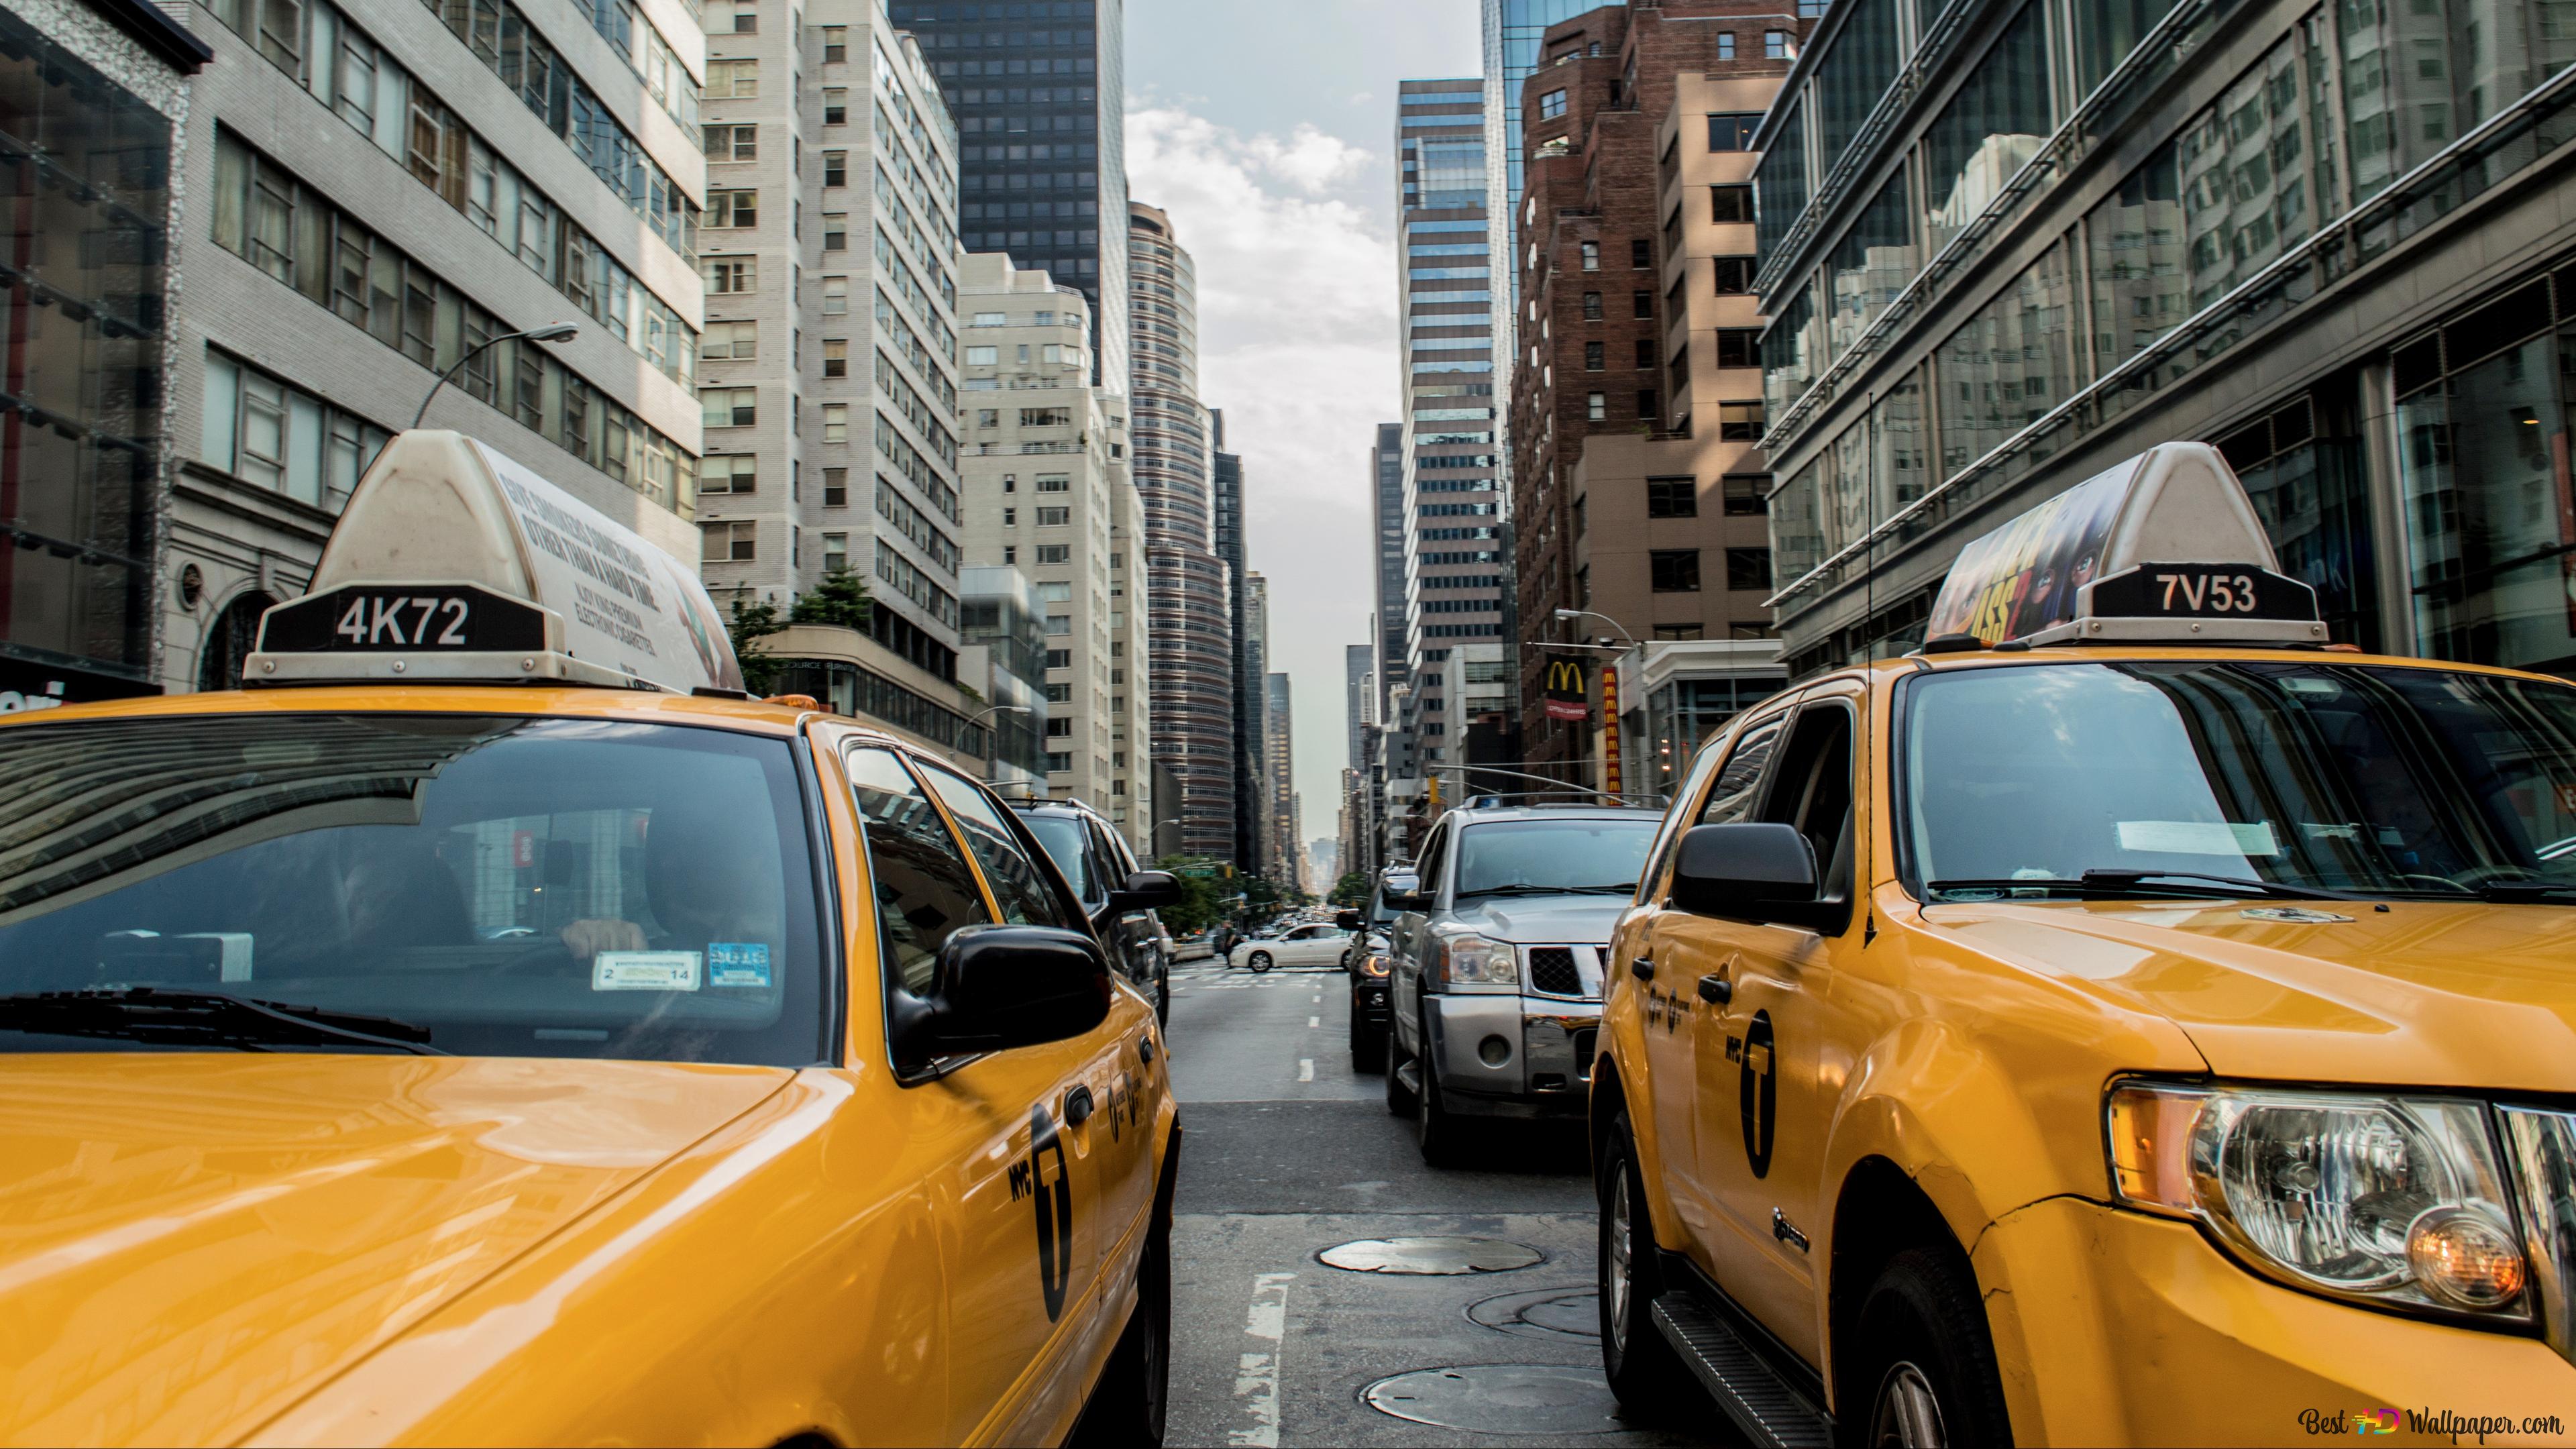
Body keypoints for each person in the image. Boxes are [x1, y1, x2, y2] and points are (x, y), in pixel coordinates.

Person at [559, 798, 784, 961]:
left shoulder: (791, 958)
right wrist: (586, 938)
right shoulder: (638, 954)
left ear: (756, 861)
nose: (668, 864)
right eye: (661, 852)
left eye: (699, 846)